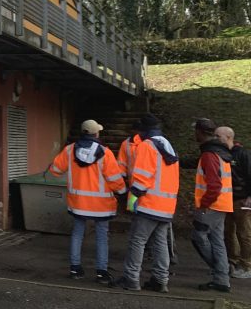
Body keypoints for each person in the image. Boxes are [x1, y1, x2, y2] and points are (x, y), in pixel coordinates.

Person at [47, 119, 125, 284]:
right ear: (96, 133)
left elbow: (54, 170)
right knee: (102, 236)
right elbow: (114, 179)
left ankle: (75, 269)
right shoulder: (105, 153)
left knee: (77, 234)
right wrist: (123, 191)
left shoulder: (69, 151)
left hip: (78, 203)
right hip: (101, 205)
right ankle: (101, 272)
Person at [119, 113, 180, 292]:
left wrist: (132, 198)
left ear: (143, 130)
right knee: (160, 242)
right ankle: (161, 280)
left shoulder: (147, 145)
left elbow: (142, 177)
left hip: (149, 203)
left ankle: (131, 279)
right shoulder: (167, 145)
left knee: (137, 241)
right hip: (167, 205)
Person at [189, 117, 233, 292]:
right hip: (222, 204)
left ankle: (220, 272)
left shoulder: (209, 154)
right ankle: (222, 279)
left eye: (196, 131)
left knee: (198, 237)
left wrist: (203, 205)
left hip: (211, 205)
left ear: (200, 132)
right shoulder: (220, 152)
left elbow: (214, 185)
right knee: (217, 241)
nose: (194, 134)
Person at [215, 126, 251, 279]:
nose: (216, 138)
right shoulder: (221, 154)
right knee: (228, 231)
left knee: (244, 232)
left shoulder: (243, 154)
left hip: (242, 198)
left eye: (218, 136)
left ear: (228, 137)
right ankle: (233, 260)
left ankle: (247, 264)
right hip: (227, 198)